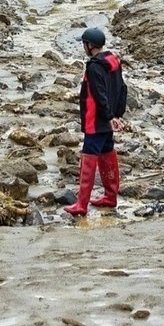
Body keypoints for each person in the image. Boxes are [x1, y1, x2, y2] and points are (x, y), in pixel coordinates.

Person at [64, 27, 127, 217]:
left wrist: (108, 117)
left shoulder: (93, 67)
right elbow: (123, 88)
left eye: (84, 44)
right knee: (108, 153)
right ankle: (110, 196)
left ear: (89, 45)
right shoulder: (113, 60)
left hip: (95, 120)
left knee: (89, 158)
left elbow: (99, 95)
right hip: (108, 119)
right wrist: (116, 115)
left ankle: (81, 204)